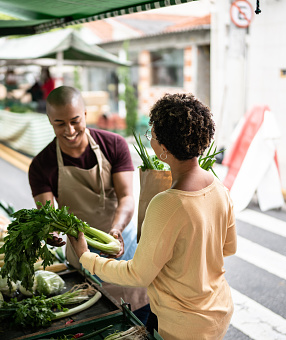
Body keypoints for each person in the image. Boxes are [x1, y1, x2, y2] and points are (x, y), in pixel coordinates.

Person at [68, 93, 237, 340]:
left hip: (182, 324)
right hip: (217, 311)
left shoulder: (167, 203)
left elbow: (139, 274)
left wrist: (86, 257)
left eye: (152, 136)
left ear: (164, 149)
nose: (151, 141)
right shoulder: (220, 189)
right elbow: (228, 248)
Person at [28, 86, 150, 322]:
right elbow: (48, 215)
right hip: (79, 255)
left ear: (85, 114)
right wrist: (51, 232)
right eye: (60, 124)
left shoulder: (113, 144)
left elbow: (126, 196)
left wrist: (115, 231)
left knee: (137, 311)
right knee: (95, 318)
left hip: (121, 244)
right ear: (50, 121)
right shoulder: (41, 165)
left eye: (75, 120)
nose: (70, 130)